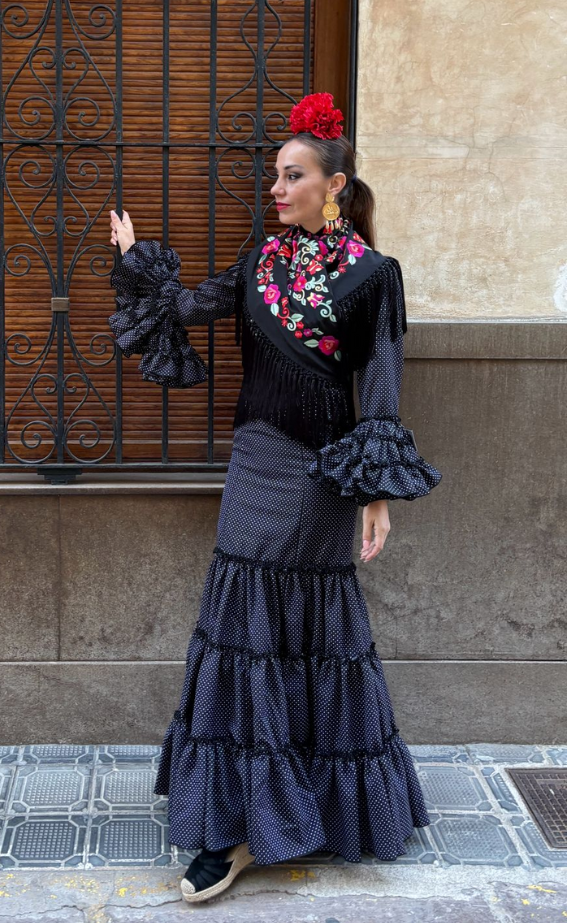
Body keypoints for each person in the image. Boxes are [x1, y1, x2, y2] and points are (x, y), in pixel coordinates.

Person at [107, 91, 442, 905]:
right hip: (255, 462)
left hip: (323, 475)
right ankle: (247, 819)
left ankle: (252, 828)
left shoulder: (371, 276)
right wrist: (134, 257)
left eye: (290, 176)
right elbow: (189, 306)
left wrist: (375, 495)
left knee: (285, 636)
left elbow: (383, 387)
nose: (275, 189)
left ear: (333, 184)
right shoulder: (262, 259)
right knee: (245, 630)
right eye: (274, 176)